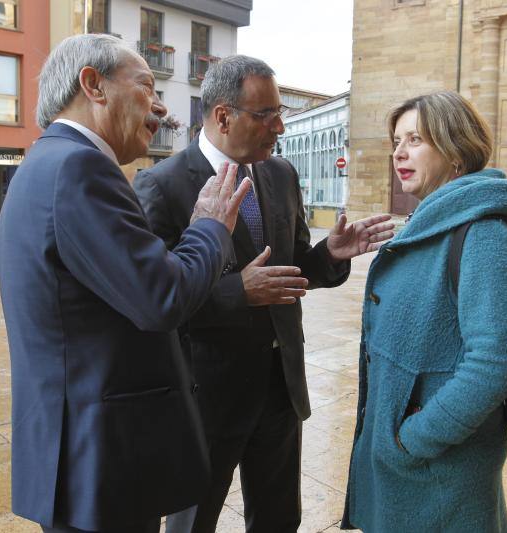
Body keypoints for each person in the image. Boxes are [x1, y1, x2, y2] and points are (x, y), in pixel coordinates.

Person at [0, 34, 252, 533]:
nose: (160, 106)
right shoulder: (79, 167)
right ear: (92, 85)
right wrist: (210, 226)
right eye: (146, 86)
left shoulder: (46, 162)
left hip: (76, 447)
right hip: (100, 455)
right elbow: (162, 297)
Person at [134, 55, 394, 533]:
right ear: (223, 116)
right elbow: (154, 302)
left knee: (278, 519)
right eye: (266, 114)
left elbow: (293, 269)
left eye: (281, 113)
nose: (279, 126)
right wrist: (237, 292)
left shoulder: (279, 174)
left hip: (279, 387)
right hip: (206, 396)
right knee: (195, 522)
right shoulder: (160, 185)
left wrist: (331, 254)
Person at [341, 91, 507, 532]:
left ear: (455, 151)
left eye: (416, 140)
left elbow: (497, 360)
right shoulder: (432, 222)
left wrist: (414, 440)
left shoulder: (483, 234)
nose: (399, 153)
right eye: (396, 141)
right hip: (405, 470)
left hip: (440, 476)